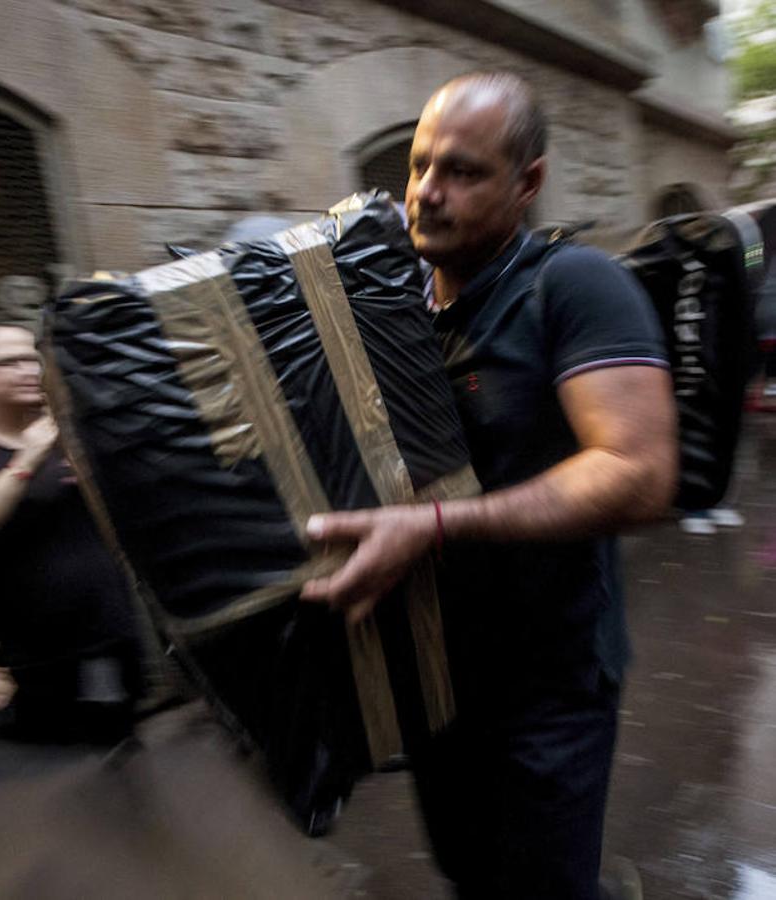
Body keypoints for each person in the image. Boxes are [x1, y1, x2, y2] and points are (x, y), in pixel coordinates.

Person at [301, 73, 677, 898]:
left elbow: (638, 472)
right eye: (418, 165)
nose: (427, 193)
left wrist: (435, 525)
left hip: (550, 677)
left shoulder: (573, 286)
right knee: (470, 870)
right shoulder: (396, 302)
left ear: (527, 182)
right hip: (437, 671)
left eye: (462, 172)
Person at [0, 323, 143, 745]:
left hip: (104, 636)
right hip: (23, 657)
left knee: (118, 748)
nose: (30, 369)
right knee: (46, 767)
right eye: (10, 361)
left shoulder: (71, 437)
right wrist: (26, 458)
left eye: (34, 358)